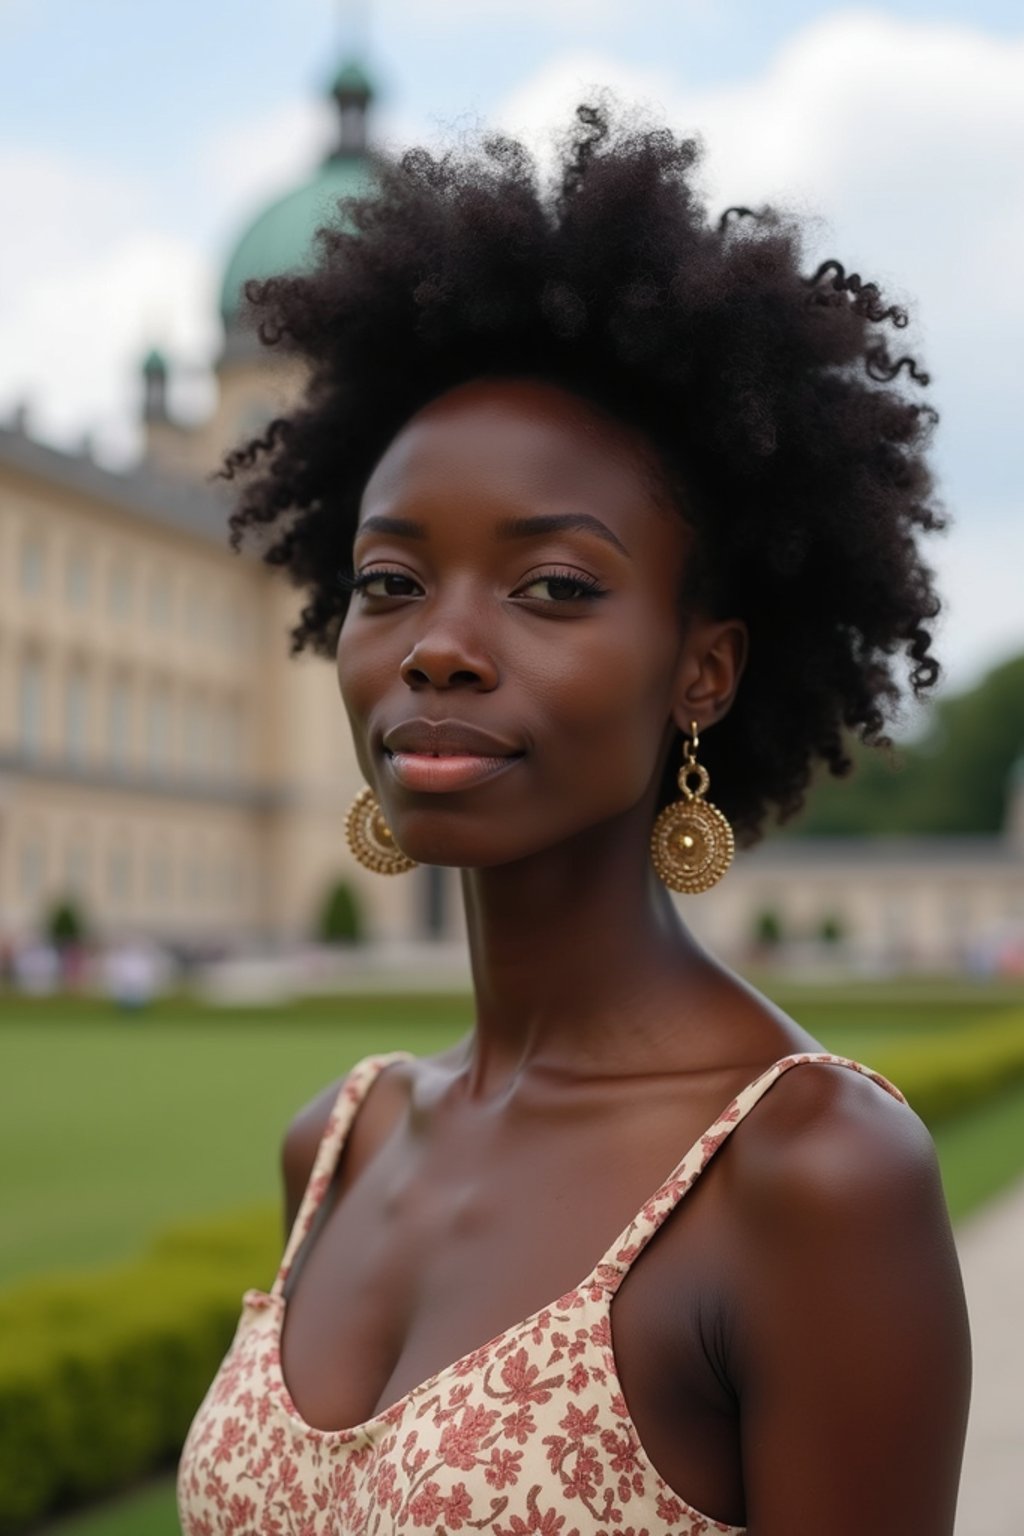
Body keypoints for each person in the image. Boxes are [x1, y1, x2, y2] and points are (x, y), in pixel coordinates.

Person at [177, 104, 971, 1534]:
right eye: (388, 581)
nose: (438, 648)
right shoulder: (339, 1142)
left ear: (704, 669)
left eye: (552, 587)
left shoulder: (809, 1176)